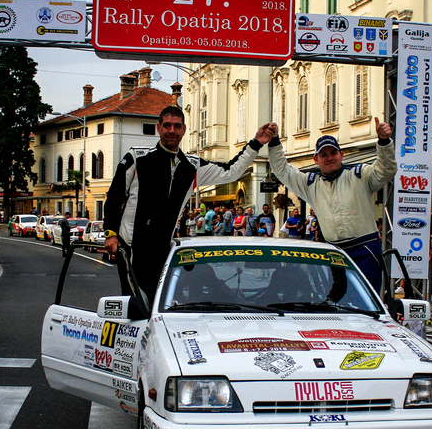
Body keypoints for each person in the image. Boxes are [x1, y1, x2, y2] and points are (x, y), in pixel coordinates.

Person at [103, 105, 271, 303]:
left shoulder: (192, 165)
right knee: (136, 303)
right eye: (167, 125)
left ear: (183, 130)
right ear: (159, 128)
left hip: (163, 248)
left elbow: (231, 172)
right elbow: (115, 195)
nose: (171, 130)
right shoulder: (137, 157)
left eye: (176, 126)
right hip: (132, 246)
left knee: (160, 303)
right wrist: (111, 233)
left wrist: (256, 143)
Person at [264, 118, 395, 291]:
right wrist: (274, 141)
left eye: (333, 153)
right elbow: (282, 170)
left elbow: (387, 170)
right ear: (316, 159)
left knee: (367, 302)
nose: (329, 158)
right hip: (334, 252)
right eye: (324, 154)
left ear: (341, 155)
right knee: (336, 303)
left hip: (365, 249)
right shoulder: (310, 183)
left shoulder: (359, 175)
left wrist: (384, 142)